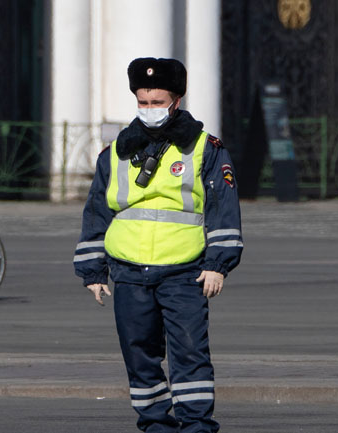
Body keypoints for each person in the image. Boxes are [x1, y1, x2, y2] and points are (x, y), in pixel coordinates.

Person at [74, 58, 243, 433]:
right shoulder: (115, 152)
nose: (150, 109)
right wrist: (92, 270)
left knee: (190, 352)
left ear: (176, 101)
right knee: (138, 355)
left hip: (185, 271)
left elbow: (222, 208)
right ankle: (154, 424)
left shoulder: (205, 148)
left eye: (158, 102)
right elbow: (97, 211)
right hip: (128, 272)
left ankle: (196, 425)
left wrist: (217, 264)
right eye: (143, 102)